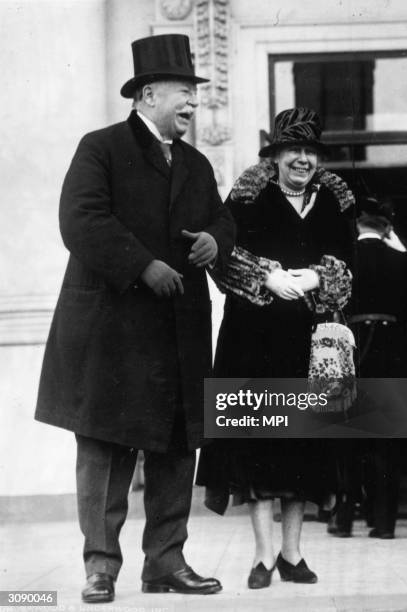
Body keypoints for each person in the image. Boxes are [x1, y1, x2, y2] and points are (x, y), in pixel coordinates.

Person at [35, 34, 235, 602]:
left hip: (178, 331)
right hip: (113, 333)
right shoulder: (99, 147)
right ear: (148, 94)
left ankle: (166, 563)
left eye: (196, 95)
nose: (194, 104)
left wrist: (215, 244)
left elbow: (221, 220)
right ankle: (100, 568)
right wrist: (143, 265)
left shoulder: (195, 164)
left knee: (175, 449)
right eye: (184, 93)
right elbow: (80, 220)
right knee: (104, 449)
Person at [197, 107, 354, 589]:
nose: (302, 160)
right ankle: (263, 557)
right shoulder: (246, 200)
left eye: (310, 152)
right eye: (293, 151)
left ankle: (293, 554)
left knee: (303, 447)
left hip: (312, 346)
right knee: (259, 445)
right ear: (276, 156)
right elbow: (219, 259)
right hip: (254, 342)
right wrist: (265, 275)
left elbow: (350, 266)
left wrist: (317, 276)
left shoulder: (335, 202)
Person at [347, 197, 407, 539]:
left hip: (350, 354)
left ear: (357, 226)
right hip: (394, 355)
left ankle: (345, 515)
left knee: (351, 437)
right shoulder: (403, 262)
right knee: (387, 441)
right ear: (385, 228)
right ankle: (384, 524)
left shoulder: (342, 262)